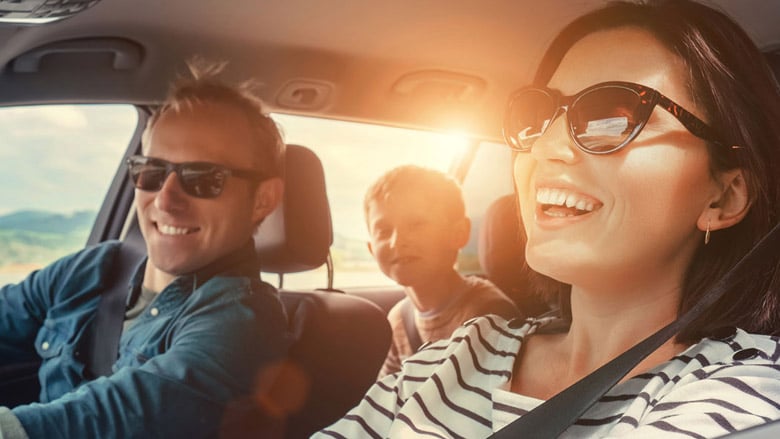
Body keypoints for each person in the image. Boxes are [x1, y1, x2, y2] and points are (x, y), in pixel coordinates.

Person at [316, 0, 780, 437]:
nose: (542, 147)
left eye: (614, 116)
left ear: (723, 198)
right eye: (540, 117)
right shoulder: (457, 353)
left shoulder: (744, 395)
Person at [0, 62, 289, 438]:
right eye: (151, 172)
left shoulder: (244, 319)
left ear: (263, 200)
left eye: (202, 179)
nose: (166, 201)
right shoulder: (92, 269)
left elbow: (125, 413)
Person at [364, 165, 520, 378]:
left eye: (416, 224)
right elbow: (387, 396)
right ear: (371, 249)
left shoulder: (489, 315)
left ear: (458, 233)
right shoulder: (399, 318)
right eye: (383, 230)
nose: (397, 242)